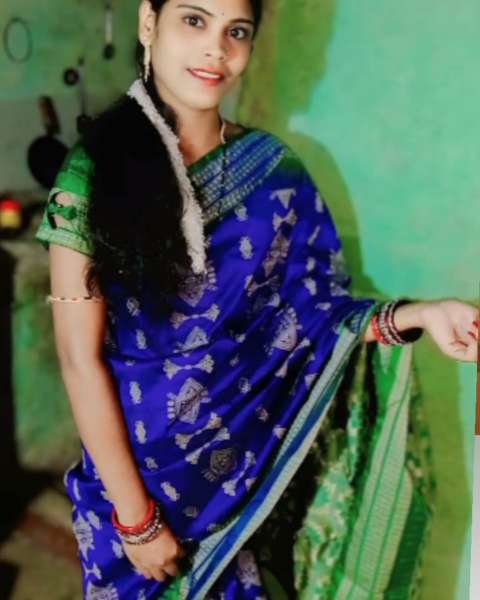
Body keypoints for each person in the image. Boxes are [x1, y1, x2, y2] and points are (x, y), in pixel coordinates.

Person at [35, 0, 479, 598]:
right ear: (148, 22)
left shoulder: (274, 173)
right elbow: (77, 359)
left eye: (236, 31)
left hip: (248, 476)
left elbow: (318, 319)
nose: (217, 48)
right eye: (195, 20)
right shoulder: (91, 176)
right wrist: (136, 520)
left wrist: (423, 314)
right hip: (138, 483)